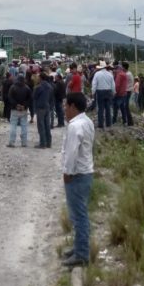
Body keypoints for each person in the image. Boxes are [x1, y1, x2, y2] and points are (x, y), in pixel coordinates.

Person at [61, 92, 95, 267]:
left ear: (73, 107)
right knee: (79, 215)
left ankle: (81, 254)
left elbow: (72, 152)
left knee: (78, 216)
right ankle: (78, 247)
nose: (64, 110)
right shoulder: (87, 122)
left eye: (66, 106)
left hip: (77, 175)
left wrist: (67, 172)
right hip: (86, 172)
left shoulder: (75, 127)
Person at [7, 74, 32, 147]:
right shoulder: (27, 88)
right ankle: (24, 143)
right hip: (24, 110)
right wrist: (24, 105)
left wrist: (16, 105)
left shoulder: (13, 87)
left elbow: (10, 97)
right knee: (24, 126)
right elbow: (30, 99)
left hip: (15, 109)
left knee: (13, 126)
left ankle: (11, 142)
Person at [91, 62, 115, 129]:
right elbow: (113, 85)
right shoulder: (110, 74)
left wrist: (93, 93)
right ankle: (108, 123)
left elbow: (94, 84)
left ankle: (100, 124)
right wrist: (113, 92)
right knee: (108, 108)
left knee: (100, 109)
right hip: (108, 91)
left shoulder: (97, 74)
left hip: (100, 92)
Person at [33, 73, 53, 148]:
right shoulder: (49, 86)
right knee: (47, 125)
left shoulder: (38, 87)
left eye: (38, 77)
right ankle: (49, 142)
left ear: (41, 78)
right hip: (47, 107)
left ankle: (42, 143)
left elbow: (34, 97)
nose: (37, 78)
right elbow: (51, 97)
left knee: (41, 126)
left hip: (40, 107)